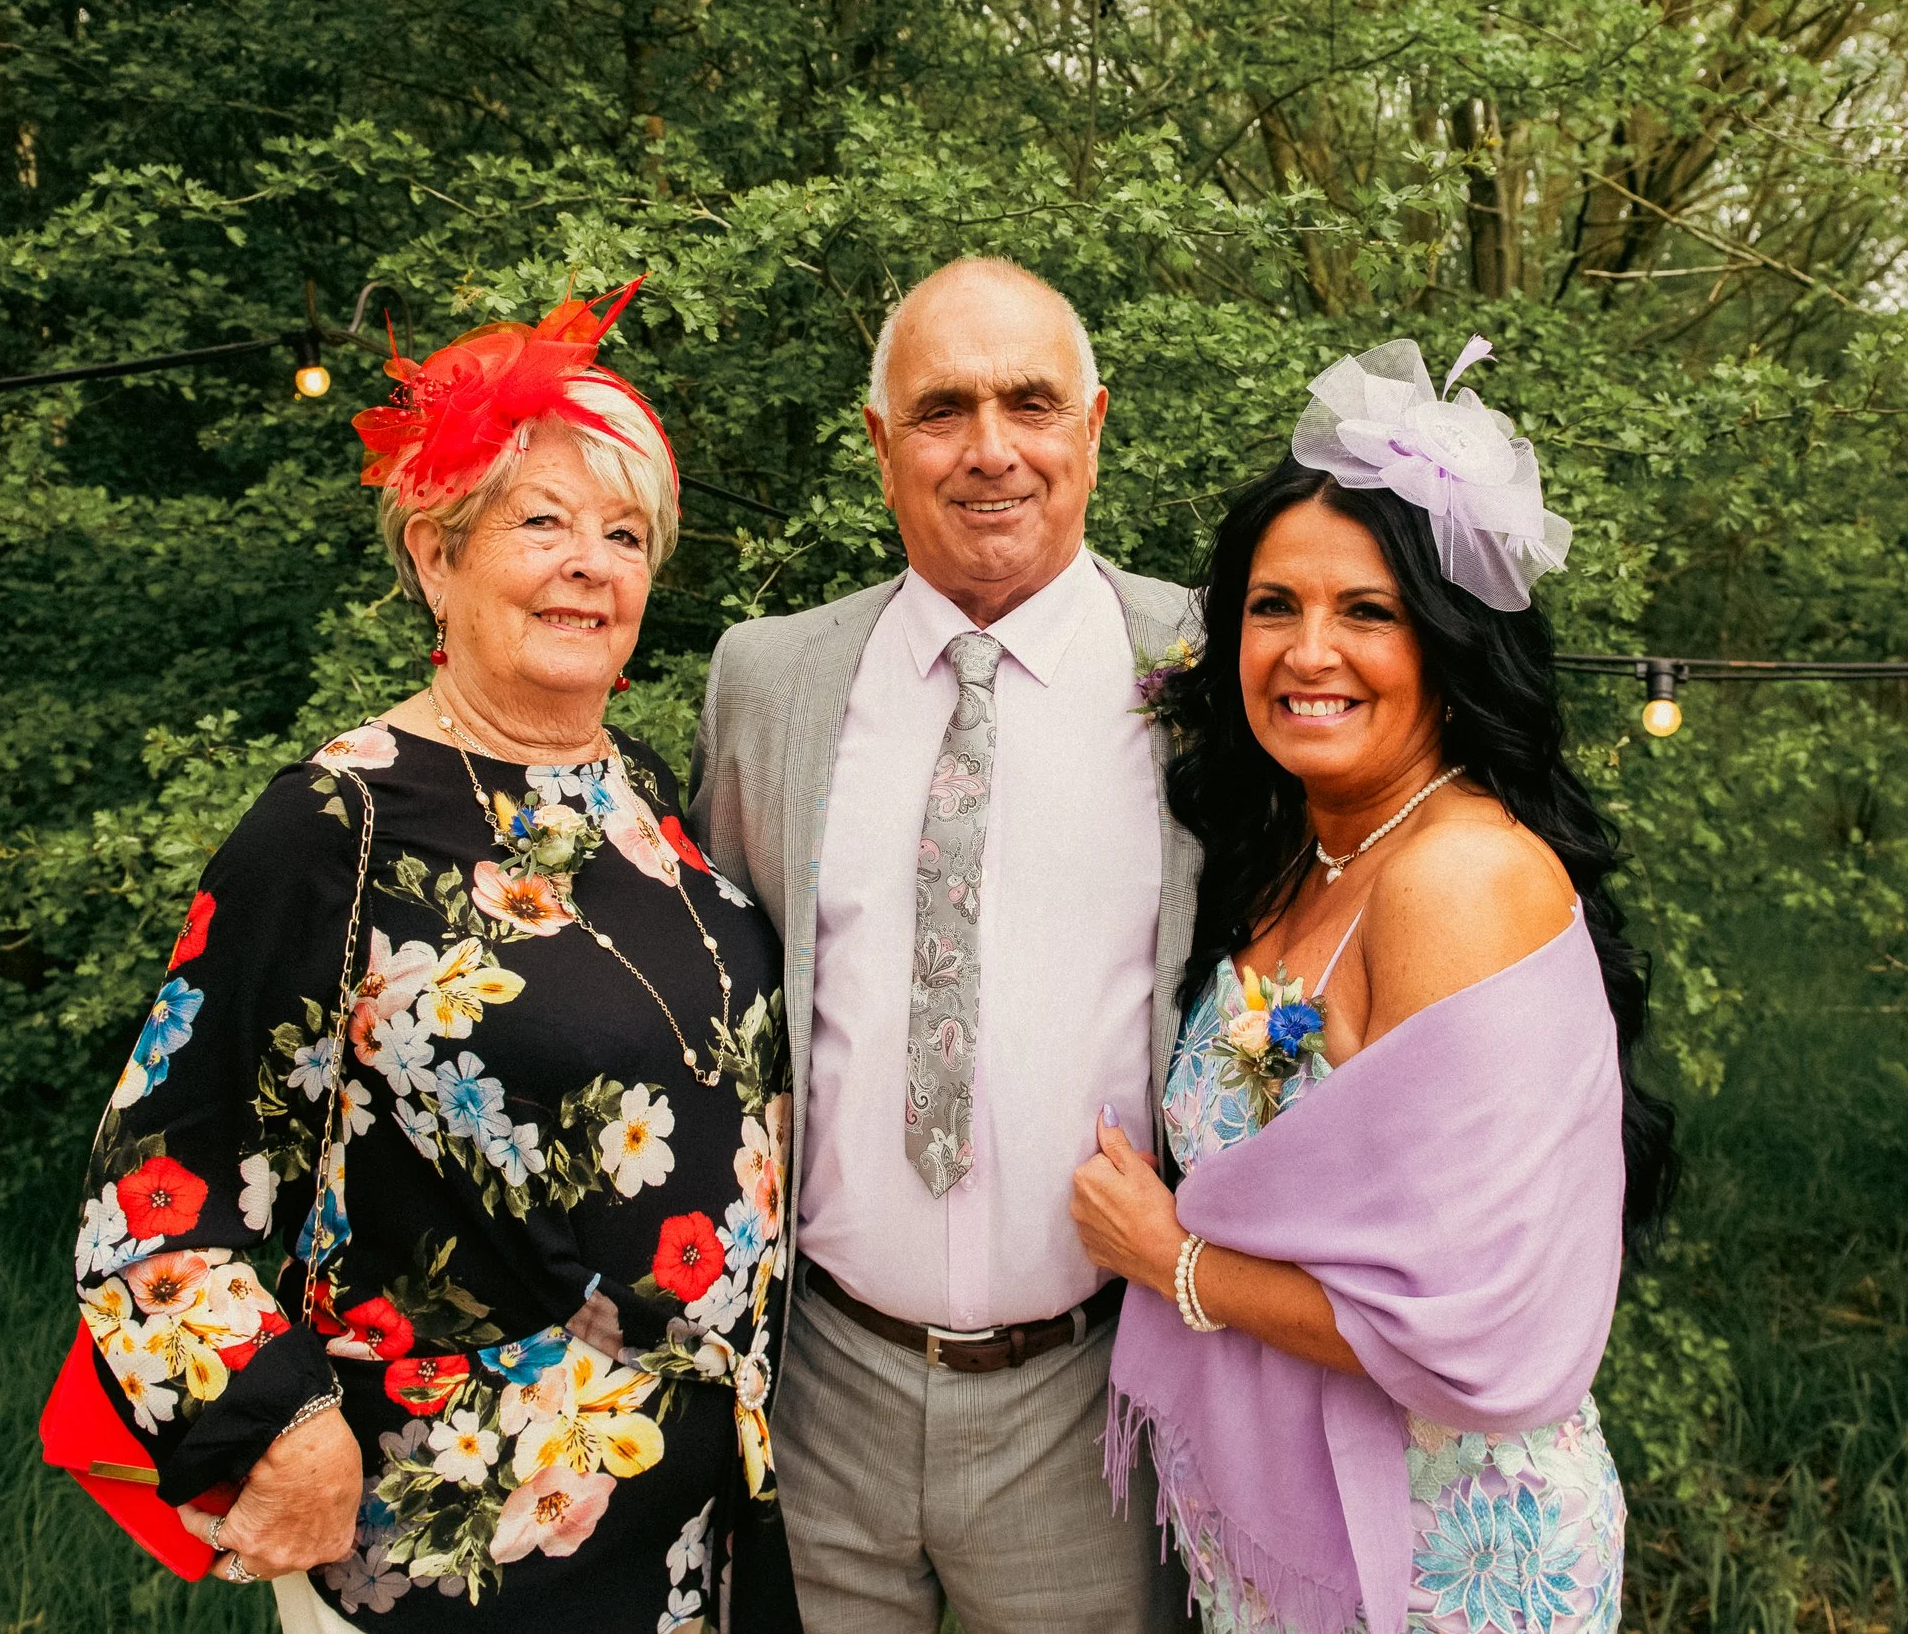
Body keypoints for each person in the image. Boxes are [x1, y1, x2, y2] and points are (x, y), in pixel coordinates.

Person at [70, 280, 797, 1633]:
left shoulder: (643, 801)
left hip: (697, 1532)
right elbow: (149, 1184)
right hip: (456, 1544)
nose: (593, 560)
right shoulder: (334, 823)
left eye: (626, 532)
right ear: (435, 552)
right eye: (544, 521)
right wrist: (273, 1423)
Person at [1071, 338, 1679, 1634]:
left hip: (1453, 1549)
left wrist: (1172, 1259)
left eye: (1366, 610)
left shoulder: (1454, 875)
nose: (1309, 650)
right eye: (1274, 605)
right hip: (1306, 1527)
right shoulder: (1303, 851)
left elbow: (1460, 1325)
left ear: (1451, 642)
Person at [687, 257, 1199, 1633]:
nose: (991, 449)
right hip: (824, 1385)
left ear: (1094, 424)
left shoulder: (1209, 673)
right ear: (879, 444)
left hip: (1091, 1394)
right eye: (943, 408)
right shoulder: (768, 680)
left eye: (1031, 403)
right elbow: (718, 1000)